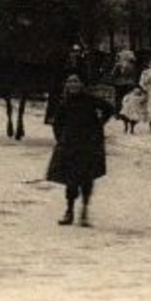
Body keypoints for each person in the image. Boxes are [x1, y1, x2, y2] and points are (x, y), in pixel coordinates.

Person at [45, 75, 113, 227]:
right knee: (70, 180)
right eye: (70, 82)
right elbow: (57, 123)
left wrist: (98, 125)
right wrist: (61, 139)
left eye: (76, 81)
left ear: (82, 84)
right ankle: (69, 211)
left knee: (87, 178)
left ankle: (84, 211)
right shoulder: (65, 103)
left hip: (89, 145)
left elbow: (109, 109)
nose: (73, 85)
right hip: (70, 145)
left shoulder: (90, 100)